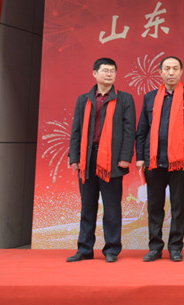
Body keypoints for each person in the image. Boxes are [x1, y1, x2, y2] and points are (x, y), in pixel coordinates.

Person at [135, 56, 184, 262]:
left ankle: (175, 248)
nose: (171, 72)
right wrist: (140, 157)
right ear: (160, 72)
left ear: (181, 72)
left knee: (178, 206)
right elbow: (142, 130)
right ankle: (155, 247)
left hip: (180, 161)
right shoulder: (150, 98)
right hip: (154, 161)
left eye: (175, 68)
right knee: (154, 206)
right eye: (167, 69)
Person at [66, 58, 136, 262]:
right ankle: (84, 249)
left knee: (112, 209)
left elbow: (129, 130)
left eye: (112, 71)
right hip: (87, 159)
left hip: (112, 160)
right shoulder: (84, 100)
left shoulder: (124, 99)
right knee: (87, 207)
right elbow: (76, 130)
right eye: (105, 70)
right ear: (94, 74)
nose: (109, 74)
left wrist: (125, 157)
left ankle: (112, 250)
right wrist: (74, 157)